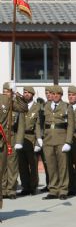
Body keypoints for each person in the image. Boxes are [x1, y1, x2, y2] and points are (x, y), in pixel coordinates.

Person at [41, 85, 75, 200]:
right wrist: (40, 138)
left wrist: (68, 142)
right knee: (51, 166)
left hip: (61, 139)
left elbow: (70, 126)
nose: (55, 96)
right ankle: (53, 190)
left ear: (61, 95)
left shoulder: (66, 107)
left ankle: (63, 190)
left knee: (62, 166)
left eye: (57, 94)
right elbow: (39, 122)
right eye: (53, 94)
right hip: (48, 139)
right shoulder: (46, 106)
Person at [0, 81, 28, 213]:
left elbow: (23, 108)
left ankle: (8, 191)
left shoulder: (6, 100)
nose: (7, 93)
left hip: (4, 142)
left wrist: (17, 94)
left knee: (5, 171)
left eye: (8, 91)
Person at [17, 86, 41, 196]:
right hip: (20, 138)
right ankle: (25, 187)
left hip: (31, 138)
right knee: (22, 165)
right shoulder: (20, 106)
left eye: (28, 93)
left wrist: (37, 142)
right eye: (24, 92)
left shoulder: (37, 107)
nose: (26, 94)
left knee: (33, 164)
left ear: (32, 94)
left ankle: (33, 186)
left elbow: (38, 126)